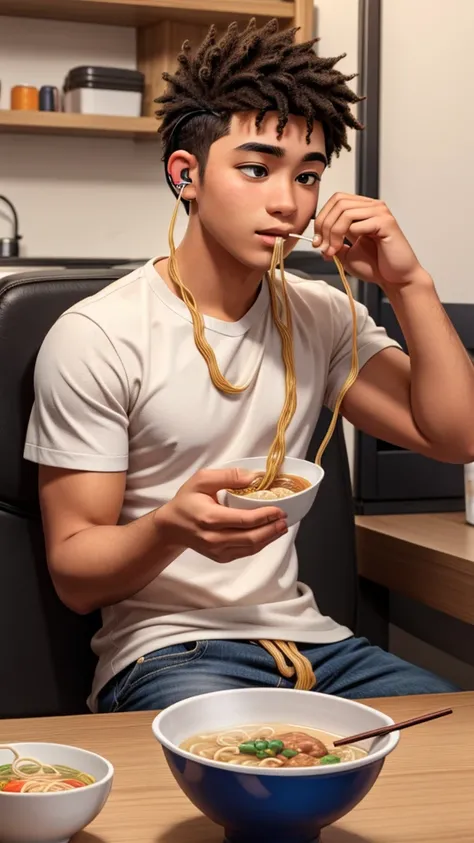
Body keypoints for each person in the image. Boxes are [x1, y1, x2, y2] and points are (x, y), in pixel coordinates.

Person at [25, 19, 471, 713]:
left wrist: (409, 282)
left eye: (309, 176)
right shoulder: (100, 334)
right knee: (252, 772)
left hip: (319, 646)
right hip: (170, 652)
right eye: (256, 169)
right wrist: (171, 526)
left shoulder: (320, 312)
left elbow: (455, 436)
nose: (289, 202)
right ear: (187, 174)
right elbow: (76, 573)